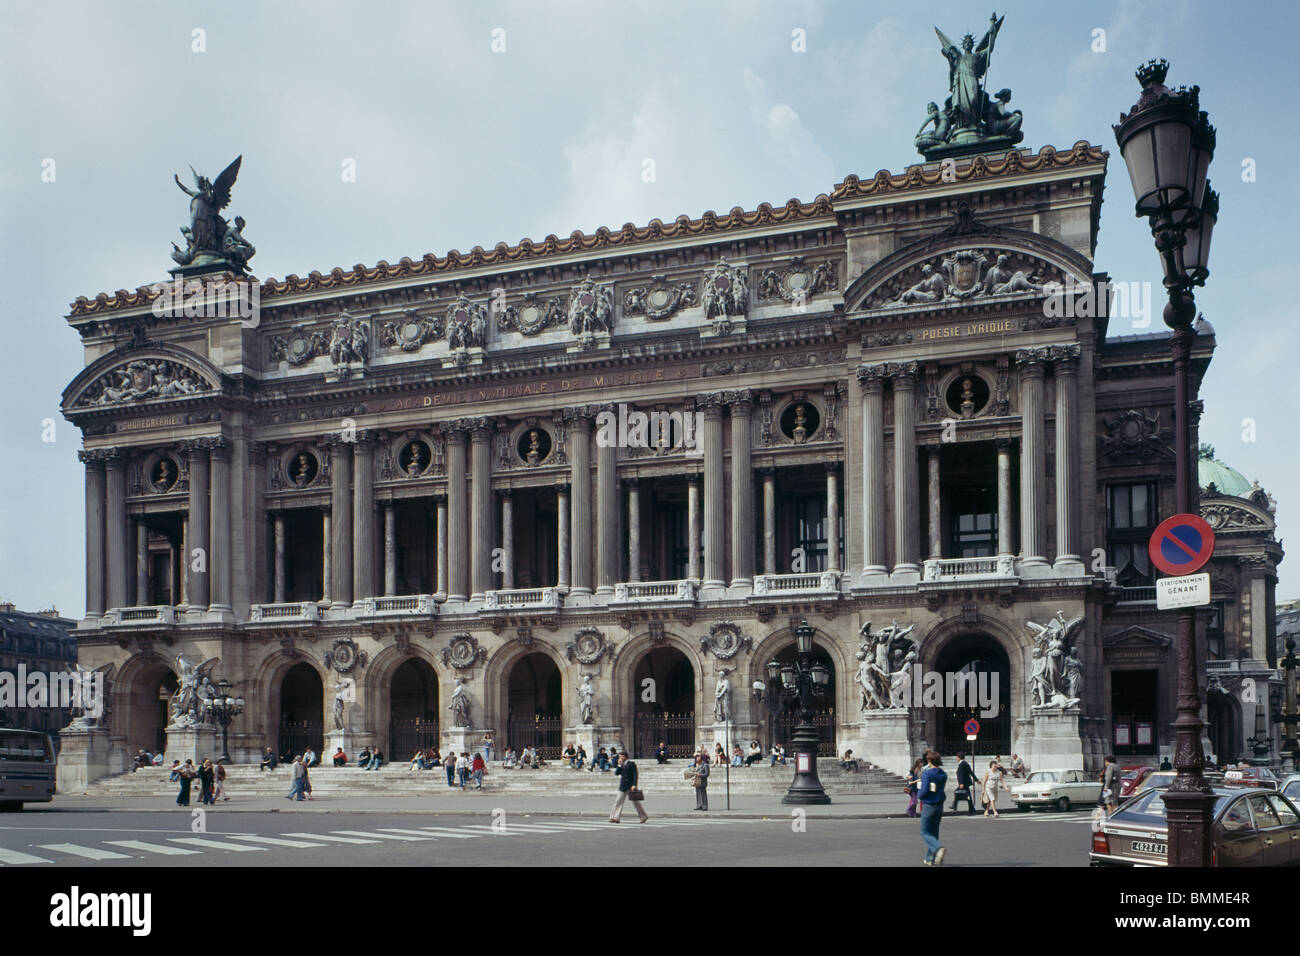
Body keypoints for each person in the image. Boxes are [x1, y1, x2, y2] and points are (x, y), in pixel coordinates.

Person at [919, 750, 947, 865]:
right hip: (939, 804)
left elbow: (924, 790)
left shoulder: (927, 773)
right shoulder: (943, 774)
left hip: (929, 804)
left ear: (929, 760)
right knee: (934, 832)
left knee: (925, 832)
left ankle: (938, 847)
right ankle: (930, 858)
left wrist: (920, 795)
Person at [609, 750, 648, 823]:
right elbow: (617, 773)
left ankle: (643, 817)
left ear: (625, 757)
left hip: (630, 786)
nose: (620, 758)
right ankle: (615, 817)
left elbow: (635, 774)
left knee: (636, 803)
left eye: (622, 756)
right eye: (619, 756)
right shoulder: (620, 765)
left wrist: (634, 784)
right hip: (623, 786)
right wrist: (619, 765)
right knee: (618, 802)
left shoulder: (631, 764)